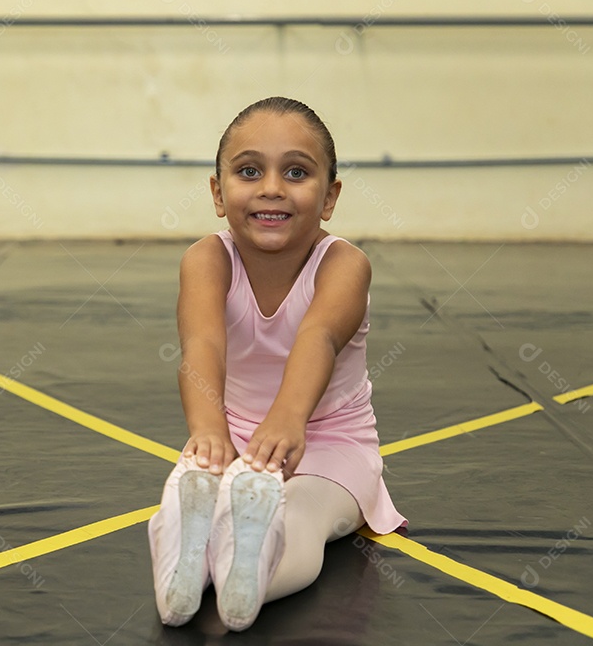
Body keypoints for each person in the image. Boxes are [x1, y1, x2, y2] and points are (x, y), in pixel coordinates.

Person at [147, 96, 406, 632]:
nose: (271, 188)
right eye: (249, 171)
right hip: (234, 434)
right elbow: (202, 346)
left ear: (329, 197)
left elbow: (319, 338)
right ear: (218, 192)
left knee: (302, 513)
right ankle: (189, 566)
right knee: (200, 485)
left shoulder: (344, 265)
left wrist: (289, 418)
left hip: (329, 442)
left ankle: (237, 568)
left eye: (296, 172)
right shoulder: (206, 259)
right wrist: (209, 433)